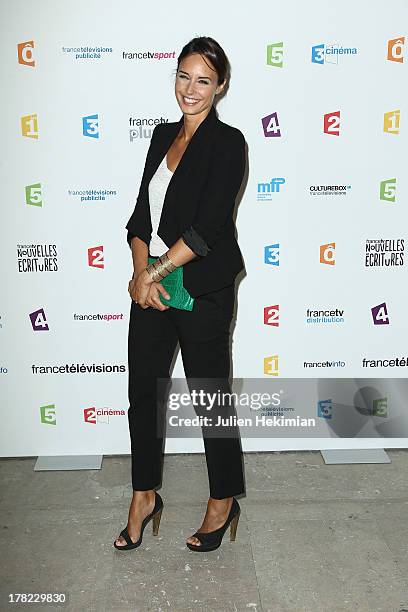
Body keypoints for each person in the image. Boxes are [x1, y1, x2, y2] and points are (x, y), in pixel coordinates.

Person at [114, 36, 247, 553]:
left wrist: (157, 273)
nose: (190, 89)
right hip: (152, 289)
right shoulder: (160, 135)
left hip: (202, 290)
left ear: (220, 86)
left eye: (203, 80)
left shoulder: (229, 142)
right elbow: (140, 215)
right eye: (183, 76)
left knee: (209, 397)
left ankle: (222, 500)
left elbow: (209, 225)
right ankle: (143, 496)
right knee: (143, 394)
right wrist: (140, 271)